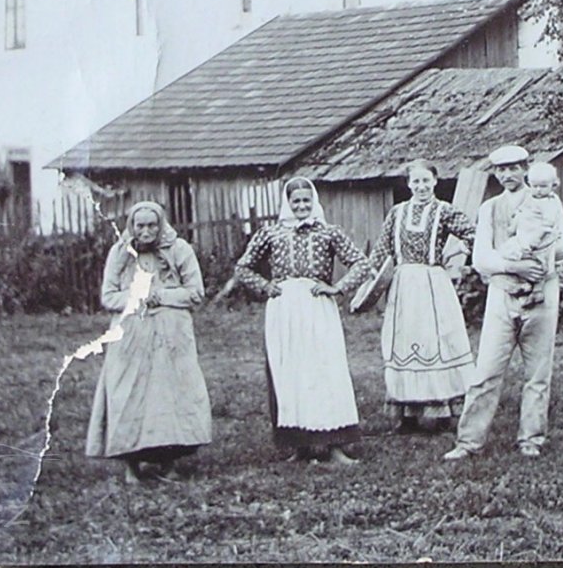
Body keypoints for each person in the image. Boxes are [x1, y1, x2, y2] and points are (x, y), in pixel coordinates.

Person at [445, 148, 563, 461]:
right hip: (502, 294)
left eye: (514, 169)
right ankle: (469, 441)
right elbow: (481, 258)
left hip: (543, 292)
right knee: (486, 371)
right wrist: (514, 265)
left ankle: (531, 438)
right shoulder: (490, 208)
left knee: (538, 372)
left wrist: (537, 256)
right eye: (501, 170)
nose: (507, 176)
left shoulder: (548, 201)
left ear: (525, 169)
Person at [234, 177, 367, 465]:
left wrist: (337, 288)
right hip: (283, 308)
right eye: (296, 201)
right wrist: (265, 286)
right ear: (287, 203)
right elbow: (243, 267)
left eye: (307, 200)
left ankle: (334, 445)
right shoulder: (271, 233)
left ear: (314, 201)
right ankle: (300, 445)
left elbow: (361, 263)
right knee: (290, 371)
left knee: (324, 369)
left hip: (317, 305)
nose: (302, 206)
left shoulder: (328, 232)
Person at [85, 200, 212, 484]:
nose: (146, 231)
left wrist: (162, 295)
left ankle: (168, 461)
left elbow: (195, 292)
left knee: (169, 394)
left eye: (152, 225)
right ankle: (131, 465)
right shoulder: (120, 252)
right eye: (140, 225)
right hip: (130, 333)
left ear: (161, 224)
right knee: (127, 394)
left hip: (171, 333)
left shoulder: (179, 249)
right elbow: (108, 296)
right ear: (132, 226)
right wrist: (138, 297)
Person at [364, 159, 477, 433]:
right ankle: (407, 416)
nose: (421, 186)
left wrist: (458, 254)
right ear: (408, 183)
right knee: (405, 344)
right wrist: (366, 279)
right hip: (403, 285)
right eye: (416, 181)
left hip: (433, 284)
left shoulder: (444, 210)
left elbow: (474, 234)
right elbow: (381, 249)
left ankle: (443, 413)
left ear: (435, 181)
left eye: (426, 180)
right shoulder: (397, 212)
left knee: (436, 343)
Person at [495, 175, 563, 309]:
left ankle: (537, 291)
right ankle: (521, 285)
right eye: (535, 186)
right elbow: (521, 212)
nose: (538, 190)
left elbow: (548, 224)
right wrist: (513, 226)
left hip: (540, 239)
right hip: (524, 235)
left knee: (539, 263)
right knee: (510, 254)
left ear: (553, 186)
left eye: (543, 186)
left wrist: (535, 239)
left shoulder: (551, 203)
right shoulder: (530, 199)